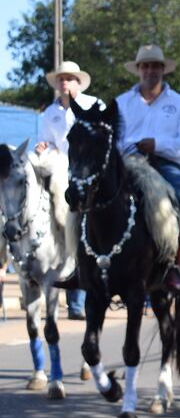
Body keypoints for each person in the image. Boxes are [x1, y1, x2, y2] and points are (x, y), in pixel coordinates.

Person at [115, 44, 180, 293]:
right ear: (138, 69)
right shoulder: (122, 102)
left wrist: (158, 145)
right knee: (93, 196)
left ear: (163, 70)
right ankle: (83, 264)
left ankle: (175, 265)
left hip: (165, 163)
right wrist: (130, 148)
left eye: (155, 66)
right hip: (129, 161)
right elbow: (113, 137)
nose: (150, 70)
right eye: (145, 66)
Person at [39, 61, 104, 317]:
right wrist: (42, 148)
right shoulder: (49, 113)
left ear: (78, 82)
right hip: (60, 171)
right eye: (60, 79)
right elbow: (46, 142)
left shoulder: (93, 105)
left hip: (88, 173)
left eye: (69, 78)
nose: (64, 82)